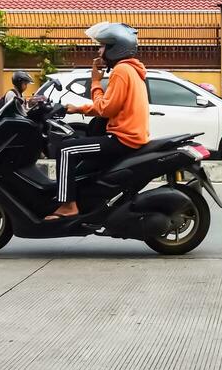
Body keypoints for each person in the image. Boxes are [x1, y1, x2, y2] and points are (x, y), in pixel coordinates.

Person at [47, 21, 150, 221]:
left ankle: (68, 206)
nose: (99, 50)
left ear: (115, 48)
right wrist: (79, 108)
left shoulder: (122, 71)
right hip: (130, 136)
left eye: (103, 46)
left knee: (66, 150)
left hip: (123, 138)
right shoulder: (132, 70)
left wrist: (95, 82)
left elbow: (106, 108)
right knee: (82, 148)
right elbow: (111, 106)